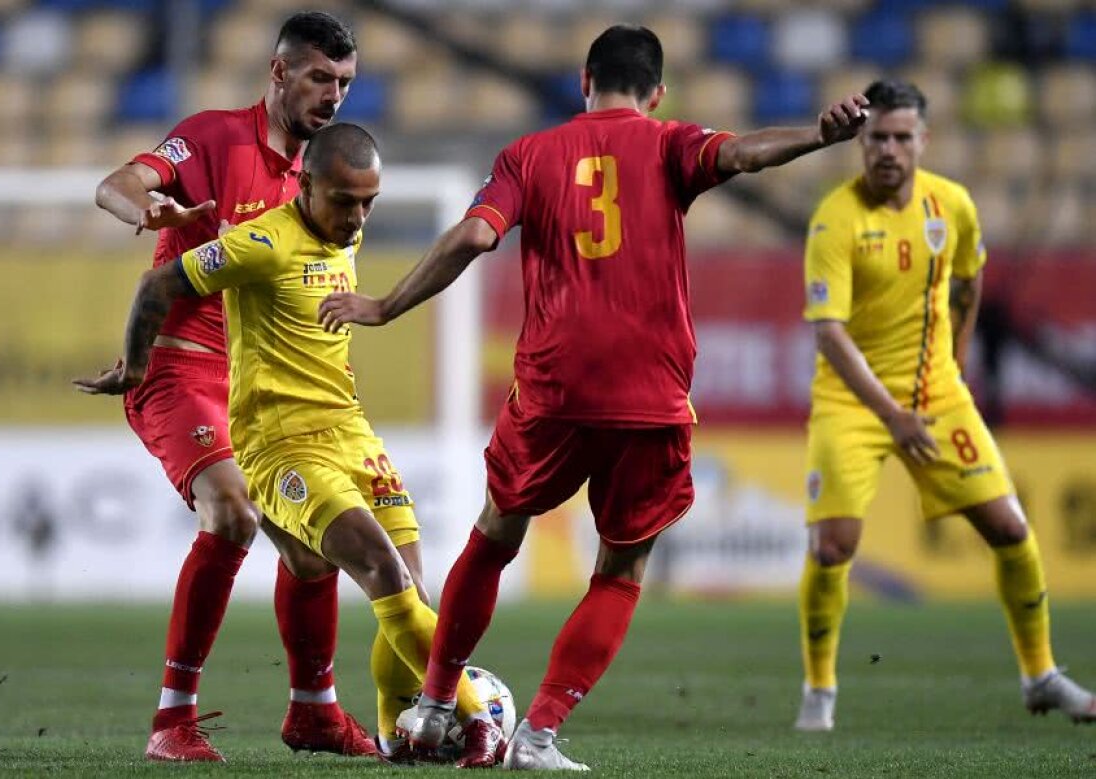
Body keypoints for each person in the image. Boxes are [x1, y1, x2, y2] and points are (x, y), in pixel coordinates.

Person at [316, 25, 868, 770]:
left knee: (496, 531)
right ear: (657, 93)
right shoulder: (672, 144)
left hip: (554, 387)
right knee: (620, 570)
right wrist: (817, 136)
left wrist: (384, 305)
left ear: (585, 80)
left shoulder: (529, 155)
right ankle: (538, 734)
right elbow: (743, 153)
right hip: (650, 393)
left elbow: (475, 237)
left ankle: (437, 702)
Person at [78, 123, 506, 768]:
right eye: (345, 201)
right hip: (283, 445)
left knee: (411, 593)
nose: (357, 217)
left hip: (350, 432)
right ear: (305, 185)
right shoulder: (262, 241)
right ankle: (475, 718)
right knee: (378, 571)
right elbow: (155, 283)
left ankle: (393, 730)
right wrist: (137, 366)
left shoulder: (346, 232)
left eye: (368, 203)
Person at [84, 11, 375, 762]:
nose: (333, 95)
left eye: (345, 82)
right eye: (320, 77)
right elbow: (116, 184)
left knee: (312, 543)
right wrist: (150, 209)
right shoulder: (215, 137)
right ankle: (171, 721)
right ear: (279, 72)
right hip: (178, 366)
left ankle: (314, 712)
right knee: (234, 509)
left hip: (259, 387)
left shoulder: (327, 177)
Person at [792, 79, 1096, 732]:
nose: (889, 149)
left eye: (902, 137)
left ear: (923, 141)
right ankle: (819, 690)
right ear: (861, 143)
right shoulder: (835, 219)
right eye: (878, 137)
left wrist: (953, 361)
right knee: (833, 546)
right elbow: (830, 335)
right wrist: (891, 415)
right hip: (851, 402)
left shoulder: (951, 204)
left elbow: (969, 278)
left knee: (1010, 529)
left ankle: (1040, 675)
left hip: (936, 396)